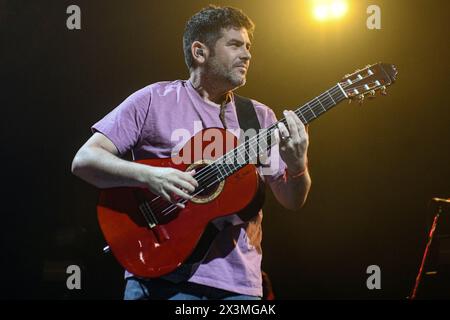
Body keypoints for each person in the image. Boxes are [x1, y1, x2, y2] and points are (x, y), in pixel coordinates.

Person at [71, 5, 311, 300]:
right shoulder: (154, 99)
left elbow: (292, 200)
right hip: (158, 277)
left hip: (237, 288)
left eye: (248, 46)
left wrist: (298, 164)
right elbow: (85, 160)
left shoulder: (259, 118)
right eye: (235, 44)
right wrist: (152, 176)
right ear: (200, 52)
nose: (247, 54)